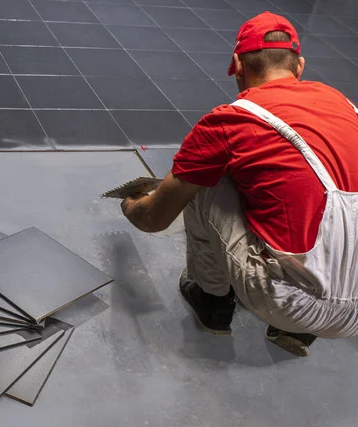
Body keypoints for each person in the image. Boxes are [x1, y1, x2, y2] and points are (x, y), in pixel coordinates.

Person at [121, 11, 358, 357]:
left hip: (295, 303)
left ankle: (212, 302)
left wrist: (131, 205)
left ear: (238, 65)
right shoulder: (347, 108)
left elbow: (154, 219)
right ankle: (296, 332)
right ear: (300, 66)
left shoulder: (230, 121)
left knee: (206, 183)